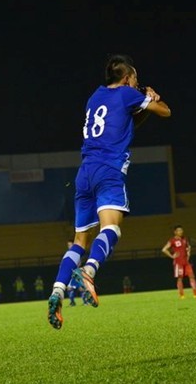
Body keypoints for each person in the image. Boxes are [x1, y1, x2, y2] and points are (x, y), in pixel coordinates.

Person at [47, 54, 171, 329]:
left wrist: (142, 109)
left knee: (79, 241)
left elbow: (125, 123)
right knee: (112, 229)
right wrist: (152, 99)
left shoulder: (95, 96)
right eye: (136, 79)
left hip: (85, 173)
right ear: (127, 79)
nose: (137, 84)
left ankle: (57, 290)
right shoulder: (128, 94)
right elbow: (166, 111)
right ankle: (89, 271)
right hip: (108, 171)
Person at [162, 225, 196, 299]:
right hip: (178, 263)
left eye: (181, 230)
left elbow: (188, 247)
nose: (181, 232)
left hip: (186, 262)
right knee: (180, 278)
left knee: (192, 276)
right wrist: (172, 256)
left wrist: (188, 252)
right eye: (179, 230)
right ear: (175, 232)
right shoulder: (172, 240)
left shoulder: (184, 239)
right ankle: (181, 295)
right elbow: (164, 249)